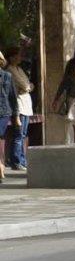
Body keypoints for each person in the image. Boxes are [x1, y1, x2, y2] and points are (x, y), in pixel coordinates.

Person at [5, 47, 32, 171]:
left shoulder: (19, 69)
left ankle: (22, 159)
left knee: (23, 134)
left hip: (26, 105)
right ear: (11, 57)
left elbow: (29, 85)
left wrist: (27, 87)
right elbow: (25, 85)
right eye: (18, 55)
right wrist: (27, 87)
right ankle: (16, 161)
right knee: (18, 134)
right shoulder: (10, 70)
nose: (20, 57)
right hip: (19, 106)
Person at [0, 52, 17, 183]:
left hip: (4, 113)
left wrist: (16, 116)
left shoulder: (7, 76)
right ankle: (1, 165)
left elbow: (13, 97)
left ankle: (0, 165)